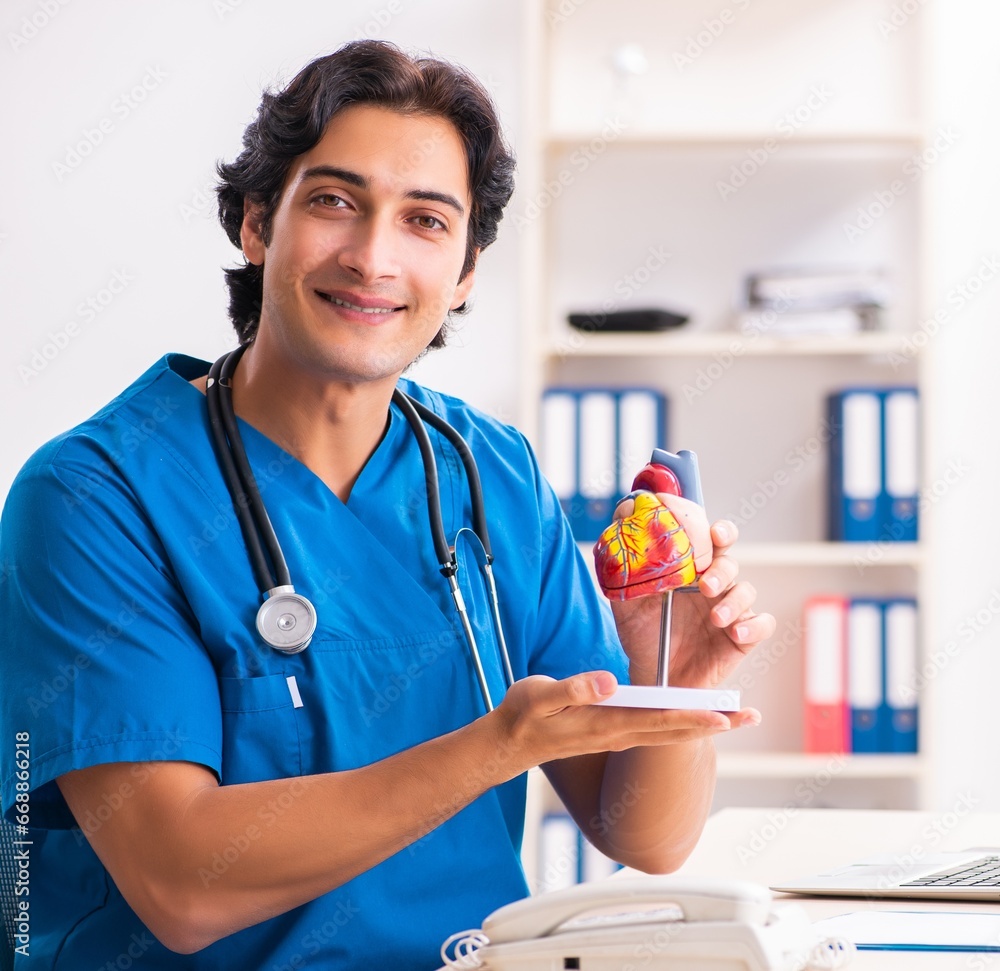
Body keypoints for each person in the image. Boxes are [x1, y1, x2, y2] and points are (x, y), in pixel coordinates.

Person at [0, 39, 774, 969]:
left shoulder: (494, 474)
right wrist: (494, 746)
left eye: (425, 221)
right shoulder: (98, 494)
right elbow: (183, 884)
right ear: (255, 225)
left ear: (466, 271)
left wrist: (674, 686)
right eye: (334, 202)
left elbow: (639, 831)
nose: (373, 257)